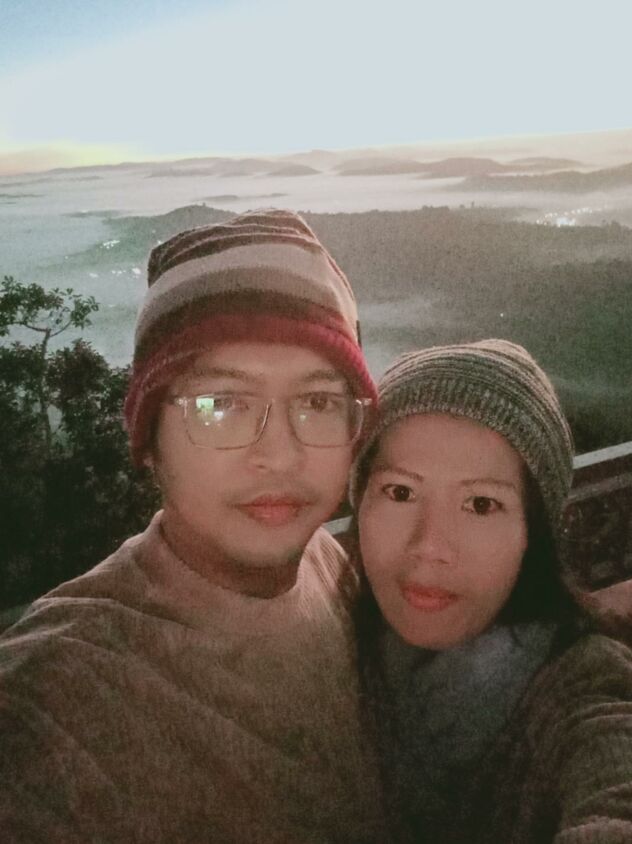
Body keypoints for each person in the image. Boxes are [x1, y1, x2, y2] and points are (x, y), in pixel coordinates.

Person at [0, 209, 386, 843]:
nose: (280, 455)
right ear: (149, 438)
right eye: (222, 404)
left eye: (318, 402)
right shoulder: (56, 701)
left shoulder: (327, 564)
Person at [350, 339, 632, 843]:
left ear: (532, 533)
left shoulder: (581, 685)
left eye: (481, 504)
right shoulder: (330, 648)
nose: (430, 546)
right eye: (400, 492)